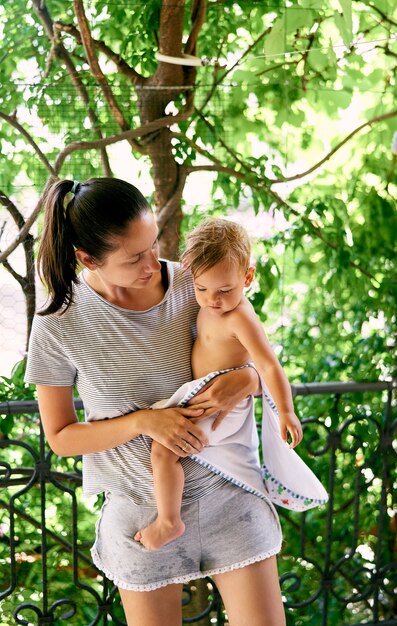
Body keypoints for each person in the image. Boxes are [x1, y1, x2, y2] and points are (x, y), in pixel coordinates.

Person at [25, 178, 287, 626]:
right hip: (142, 520)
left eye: (153, 246)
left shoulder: (194, 285)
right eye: (134, 258)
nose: (153, 263)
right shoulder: (58, 322)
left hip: (229, 498)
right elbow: (62, 439)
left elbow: (261, 362)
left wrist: (245, 381)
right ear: (87, 258)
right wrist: (146, 422)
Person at [136, 218, 303, 552]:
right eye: (201, 289)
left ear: (248, 278)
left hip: (218, 399)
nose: (212, 299)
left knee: (162, 450)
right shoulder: (209, 300)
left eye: (224, 290)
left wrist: (286, 410)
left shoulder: (240, 316)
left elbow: (268, 363)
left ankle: (169, 521)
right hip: (202, 390)